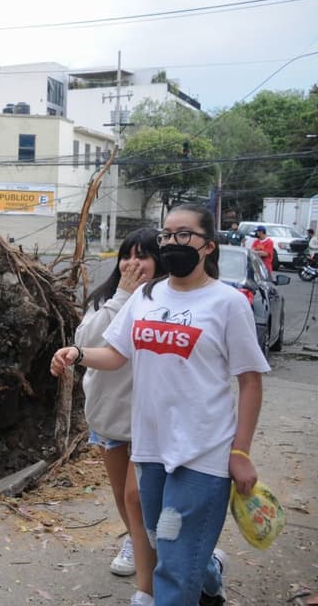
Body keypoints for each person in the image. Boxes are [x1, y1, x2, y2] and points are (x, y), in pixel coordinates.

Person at [51, 204, 267, 606]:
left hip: (203, 454)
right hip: (151, 451)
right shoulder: (146, 296)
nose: (172, 242)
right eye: (167, 234)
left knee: (173, 563)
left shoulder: (228, 303)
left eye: (184, 234)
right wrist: (76, 353)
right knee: (162, 539)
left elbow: (250, 382)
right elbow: (116, 354)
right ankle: (209, 574)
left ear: (208, 247)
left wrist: (240, 452)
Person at [75, 228, 164, 605]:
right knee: (121, 494)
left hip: (150, 419)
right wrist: (122, 297)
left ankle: (157, 567)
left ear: (159, 262)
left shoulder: (166, 300)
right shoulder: (106, 299)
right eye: (126, 256)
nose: (132, 263)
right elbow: (87, 342)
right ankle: (139, 543)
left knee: (136, 496)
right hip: (111, 414)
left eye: (142, 256)